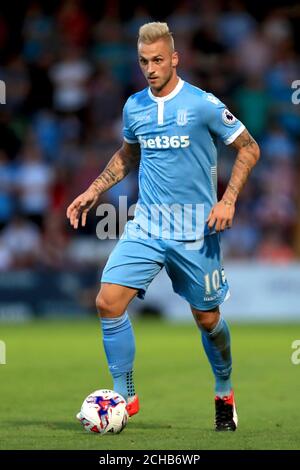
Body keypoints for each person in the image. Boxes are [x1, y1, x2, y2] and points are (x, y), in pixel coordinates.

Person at [67, 22, 260, 431]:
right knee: (107, 301)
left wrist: (227, 200)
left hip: (196, 231)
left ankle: (224, 388)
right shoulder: (134, 106)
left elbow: (249, 148)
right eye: (143, 62)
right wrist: (93, 189)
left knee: (208, 322)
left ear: (174, 58)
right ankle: (126, 395)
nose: (150, 68)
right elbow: (126, 155)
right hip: (147, 226)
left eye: (158, 60)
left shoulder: (204, 104)